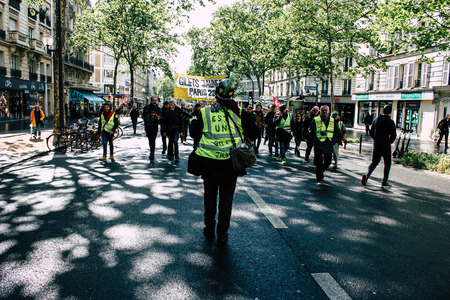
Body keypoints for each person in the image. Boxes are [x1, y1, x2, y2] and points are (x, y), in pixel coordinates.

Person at [191, 74, 257, 244]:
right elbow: (255, 134)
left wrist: (193, 120)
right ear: (233, 95)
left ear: (215, 94)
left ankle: (209, 229)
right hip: (230, 164)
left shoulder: (204, 112)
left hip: (209, 163)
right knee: (226, 202)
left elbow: (194, 133)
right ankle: (222, 235)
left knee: (210, 199)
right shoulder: (241, 113)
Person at [361, 105, 396, 188]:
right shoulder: (390, 122)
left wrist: (376, 139)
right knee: (387, 163)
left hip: (376, 144)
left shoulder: (376, 120)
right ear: (390, 112)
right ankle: (384, 182)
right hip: (386, 145)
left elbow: (371, 132)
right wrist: (389, 141)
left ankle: (367, 175)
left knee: (374, 162)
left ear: (382, 111)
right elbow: (393, 135)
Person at [308, 105, 338, 185]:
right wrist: (316, 141)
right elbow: (311, 132)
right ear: (320, 111)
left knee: (328, 161)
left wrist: (333, 141)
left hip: (328, 143)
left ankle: (320, 172)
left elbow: (336, 132)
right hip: (319, 143)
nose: (324, 112)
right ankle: (319, 178)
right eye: (322, 110)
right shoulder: (316, 120)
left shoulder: (332, 120)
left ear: (328, 111)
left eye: (326, 110)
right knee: (319, 162)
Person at [142, 96, 161, 162]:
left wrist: (159, 119)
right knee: (150, 140)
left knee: (153, 140)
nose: (155, 102)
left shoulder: (158, 109)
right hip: (148, 126)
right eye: (154, 100)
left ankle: (152, 153)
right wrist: (145, 120)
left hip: (154, 126)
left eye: (156, 100)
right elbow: (143, 115)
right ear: (151, 100)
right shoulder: (146, 108)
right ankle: (151, 151)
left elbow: (160, 118)